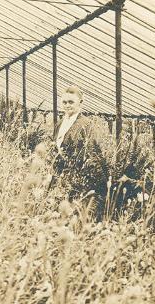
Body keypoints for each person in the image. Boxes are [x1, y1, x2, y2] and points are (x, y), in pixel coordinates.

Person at [50, 86, 108, 217]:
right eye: (64, 102)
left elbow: (91, 151)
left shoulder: (86, 124)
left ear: (80, 103)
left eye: (71, 102)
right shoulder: (59, 123)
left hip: (77, 176)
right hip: (59, 174)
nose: (67, 105)